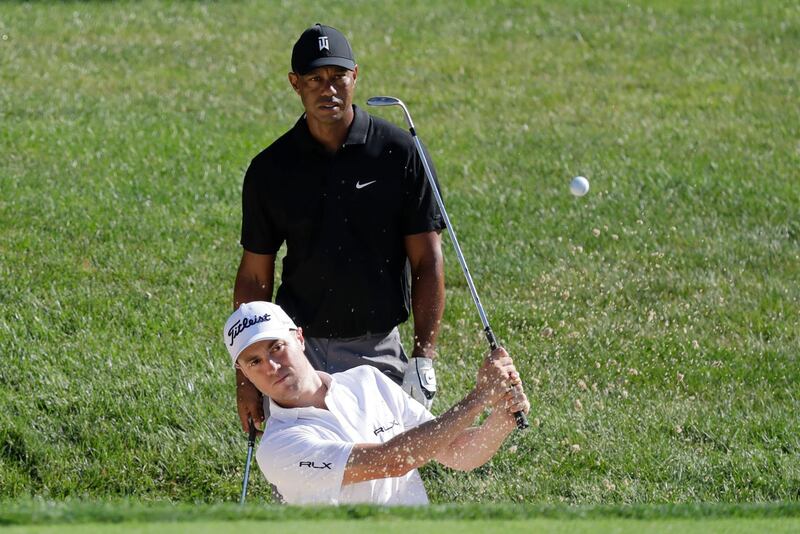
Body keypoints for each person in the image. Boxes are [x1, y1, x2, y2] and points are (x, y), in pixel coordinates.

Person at [233, 23, 446, 433]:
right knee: (306, 478)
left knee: (384, 478)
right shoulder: (271, 169)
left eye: (337, 77)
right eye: (314, 79)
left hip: (378, 348)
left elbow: (428, 260)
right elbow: (254, 276)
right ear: (295, 84)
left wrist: (424, 356)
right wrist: (248, 378)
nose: (326, 89)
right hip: (297, 351)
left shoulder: (399, 153)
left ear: (355, 76)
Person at [223, 301, 530, 505]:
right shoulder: (278, 448)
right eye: (255, 361)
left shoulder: (366, 380)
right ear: (244, 372)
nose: (271, 366)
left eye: (277, 347)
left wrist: (503, 415)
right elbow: (392, 461)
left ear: (300, 338)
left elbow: (455, 452)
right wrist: (477, 399)